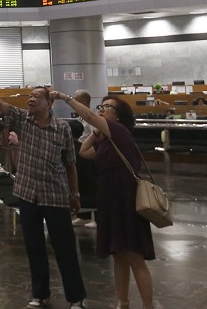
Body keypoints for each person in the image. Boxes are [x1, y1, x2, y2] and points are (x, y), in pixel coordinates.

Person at [0, 75, 87, 309]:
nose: (31, 99)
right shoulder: (24, 120)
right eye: (30, 96)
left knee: (65, 248)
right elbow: (0, 104)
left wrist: (75, 194)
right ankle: (40, 293)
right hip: (28, 194)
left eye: (36, 97)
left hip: (55, 195)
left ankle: (76, 297)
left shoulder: (62, 129)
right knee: (34, 246)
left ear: (49, 103)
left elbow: (71, 165)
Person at [59, 93, 156, 309]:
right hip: (110, 198)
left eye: (107, 107)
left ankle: (148, 305)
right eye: (100, 106)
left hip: (125, 198)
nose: (101, 110)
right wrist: (96, 133)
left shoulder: (119, 130)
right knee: (118, 254)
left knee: (134, 256)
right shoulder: (107, 140)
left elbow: (89, 116)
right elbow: (84, 151)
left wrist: (66, 99)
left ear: (118, 116)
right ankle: (123, 302)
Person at [70, 90, 98, 229]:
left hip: (88, 154)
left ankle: (97, 218)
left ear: (82, 101)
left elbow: (95, 135)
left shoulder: (90, 117)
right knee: (83, 186)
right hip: (79, 152)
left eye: (75, 99)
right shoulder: (81, 116)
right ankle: (83, 216)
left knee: (92, 185)